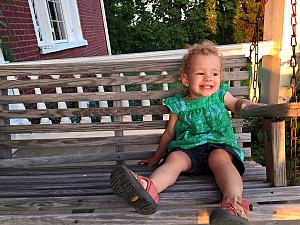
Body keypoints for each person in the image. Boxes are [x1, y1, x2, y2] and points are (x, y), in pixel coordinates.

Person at [110, 40, 261, 225]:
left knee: (220, 158)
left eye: (214, 73)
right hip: (188, 150)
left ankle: (233, 205)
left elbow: (237, 105)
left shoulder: (221, 94)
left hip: (219, 146)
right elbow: (169, 134)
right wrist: (156, 157)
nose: (208, 78)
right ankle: (148, 188)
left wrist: (249, 105)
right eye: (201, 73)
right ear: (185, 79)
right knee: (175, 160)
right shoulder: (178, 104)